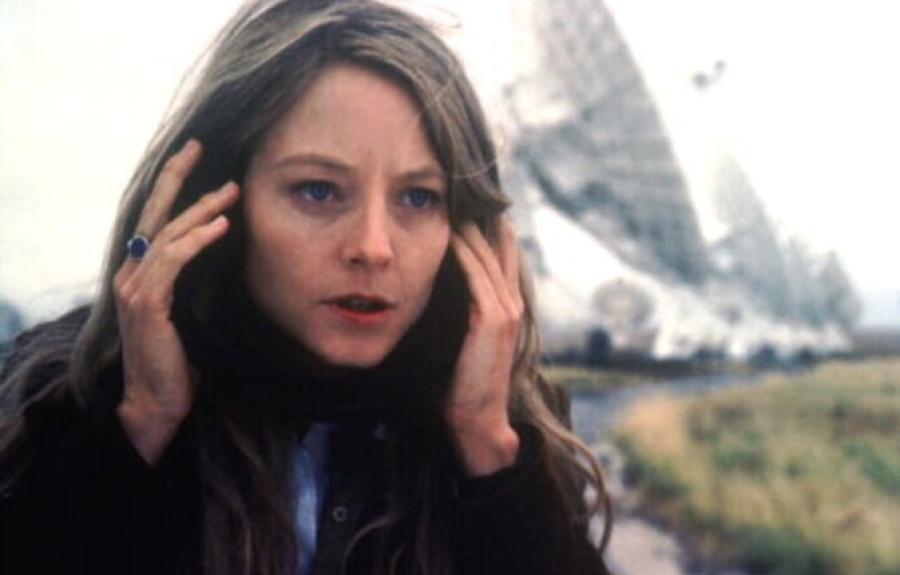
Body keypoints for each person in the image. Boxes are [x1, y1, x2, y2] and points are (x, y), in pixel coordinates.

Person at [0, 1, 612, 573]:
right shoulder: (57, 403)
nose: (373, 247)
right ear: (217, 203)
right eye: (318, 190)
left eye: (419, 198)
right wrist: (138, 430)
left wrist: (490, 459)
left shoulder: (507, 434)